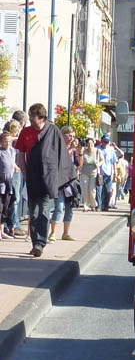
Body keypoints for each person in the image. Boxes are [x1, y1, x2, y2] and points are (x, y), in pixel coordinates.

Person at [15, 103, 74, 257]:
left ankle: (40, 243)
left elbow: (62, 154)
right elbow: (21, 155)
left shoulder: (52, 131)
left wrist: (62, 178)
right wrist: (25, 174)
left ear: (42, 117)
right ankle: (35, 242)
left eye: (33, 117)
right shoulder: (25, 132)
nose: (30, 120)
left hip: (48, 178)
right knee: (33, 213)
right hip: (32, 178)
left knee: (44, 211)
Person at [48, 126, 79, 242]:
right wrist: (70, 149)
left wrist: (79, 151)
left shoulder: (73, 149)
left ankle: (66, 233)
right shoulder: (57, 147)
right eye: (69, 135)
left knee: (70, 208)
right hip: (60, 183)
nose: (71, 138)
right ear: (62, 135)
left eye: (73, 135)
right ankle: (52, 233)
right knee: (59, 208)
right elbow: (60, 160)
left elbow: (79, 163)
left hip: (70, 183)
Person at [97, 134, 124, 211]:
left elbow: (114, 162)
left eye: (107, 142)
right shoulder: (97, 149)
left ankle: (106, 206)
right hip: (99, 172)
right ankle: (99, 206)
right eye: (104, 142)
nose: (105, 143)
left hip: (108, 172)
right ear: (101, 141)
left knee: (107, 191)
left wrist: (115, 172)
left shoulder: (111, 150)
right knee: (99, 190)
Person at [0, 131, 16, 239]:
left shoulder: (12, 151)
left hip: (8, 183)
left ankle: (1, 231)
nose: (8, 143)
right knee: (0, 208)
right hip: (0, 182)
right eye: (5, 141)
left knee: (5, 208)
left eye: (9, 141)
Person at [79, 137, 99, 210]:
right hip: (85, 172)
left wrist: (98, 164)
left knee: (91, 190)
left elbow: (102, 160)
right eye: (88, 143)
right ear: (87, 144)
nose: (90, 145)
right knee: (85, 189)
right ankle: (86, 206)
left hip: (93, 172)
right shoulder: (84, 151)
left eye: (91, 143)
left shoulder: (97, 151)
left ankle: (93, 204)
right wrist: (80, 154)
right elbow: (80, 163)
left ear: (93, 143)